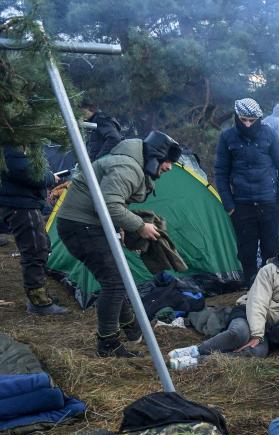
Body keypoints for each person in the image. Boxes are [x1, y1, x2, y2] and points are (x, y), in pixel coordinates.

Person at [56, 132, 182, 357]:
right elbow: (107, 205)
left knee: (118, 278)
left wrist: (119, 227)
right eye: (168, 162)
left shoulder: (131, 164)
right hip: (80, 226)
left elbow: (110, 202)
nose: (169, 168)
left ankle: (132, 328)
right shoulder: (128, 167)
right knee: (114, 281)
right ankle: (107, 344)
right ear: (156, 156)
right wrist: (140, 226)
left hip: (85, 224)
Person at [168, 241, 279, 366]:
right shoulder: (270, 270)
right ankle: (195, 351)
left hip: (270, 327)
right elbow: (258, 302)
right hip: (248, 314)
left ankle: (195, 362)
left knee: (257, 354)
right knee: (238, 334)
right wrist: (256, 335)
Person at [214, 97, 279, 287]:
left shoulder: (269, 135)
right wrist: (229, 205)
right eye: (243, 120)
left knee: (271, 249)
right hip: (242, 206)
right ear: (237, 117)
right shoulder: (227, 138)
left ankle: (272, 287)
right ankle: (251, 288)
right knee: (246, 251)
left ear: (258, 118)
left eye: (251, 120)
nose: (248, 125)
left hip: (269, 203)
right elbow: (221, 172)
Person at [0, 146, 68, 315]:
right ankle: (39, 303)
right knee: (35, 251)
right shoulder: (9, 146)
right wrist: (50, 178)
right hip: (21, 205)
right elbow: (28, 173)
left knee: (41, 245)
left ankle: (40, 295)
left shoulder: (13, 145)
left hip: (22, 202)